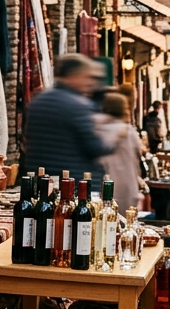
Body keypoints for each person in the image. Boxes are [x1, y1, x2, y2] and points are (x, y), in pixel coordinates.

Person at [22, 53, 115, 185]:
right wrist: (113, 138)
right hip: (75, 181)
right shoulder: (79, 105)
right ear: (74, 76)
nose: (91, 83)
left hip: (43, 180)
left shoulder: (38, 101)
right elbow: (95, 147)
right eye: (87, 77)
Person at [97, 92, 144, 214]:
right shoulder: (129, 132)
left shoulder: (96, 130)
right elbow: (139, 154)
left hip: (103, 187)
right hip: (128, 188)